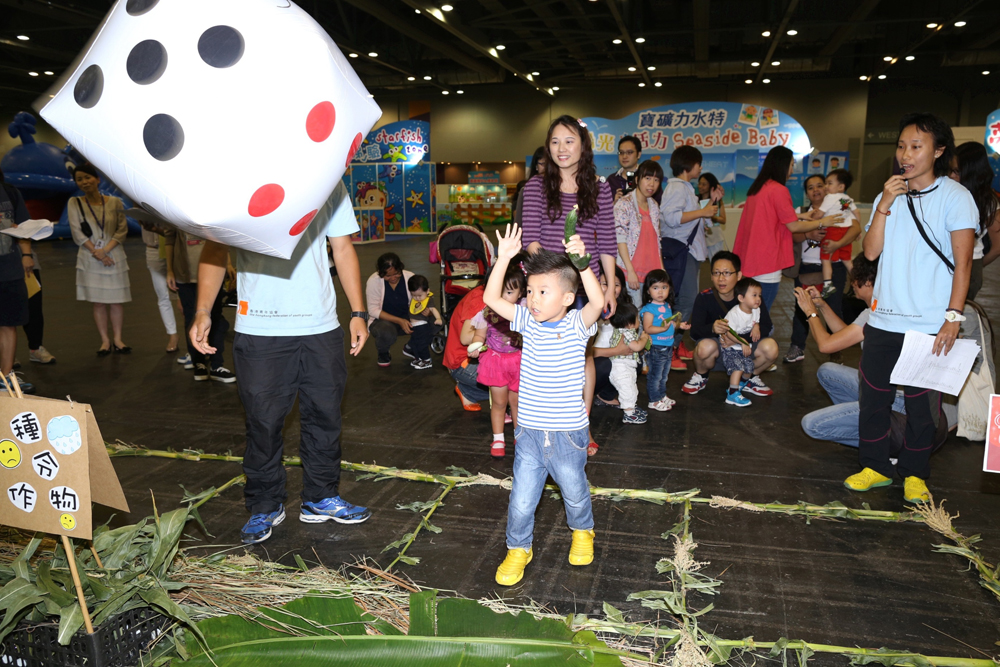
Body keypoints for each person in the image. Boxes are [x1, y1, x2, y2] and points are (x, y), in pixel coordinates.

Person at [189, 182, 372, 544]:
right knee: (263, 423)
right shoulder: (238, 182)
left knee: (325, 417)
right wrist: (202, 310)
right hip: (260, 329)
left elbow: (342, 247)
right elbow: (215, 249)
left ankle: (320, 496)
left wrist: (358, 312)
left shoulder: (327, 178)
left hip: (320, 326)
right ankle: (265, 503)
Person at [849, 112, 977, 504]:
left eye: (916, 146)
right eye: (902, 146)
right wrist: (885, 203)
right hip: (883, 320)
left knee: (923, 407)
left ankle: (915, 472)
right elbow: (871, 252)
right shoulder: (888, 196)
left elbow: (963, 264)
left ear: (938, 151)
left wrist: (952, 318)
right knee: (874, 400)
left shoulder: (956, 197)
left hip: (929, 324)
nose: (906, 154)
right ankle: (875, 466)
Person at [488, 224, 603, 587]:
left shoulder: (577, 326)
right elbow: (491, 299)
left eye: (542, 291)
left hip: (568, 435)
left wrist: (583, 264)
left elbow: (598, 303)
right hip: (529, 434)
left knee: (575, 492)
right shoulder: (527, 323)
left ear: (568, 297)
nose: (533, 299)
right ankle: (518, 548)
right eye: (530, 291)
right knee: (521, 500)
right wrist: (503, 259)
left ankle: (583, 530)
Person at [520, 115, 618, 314]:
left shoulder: (600, 188)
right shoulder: (535, 186)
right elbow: (530, 240)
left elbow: (607, 242)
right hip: (547, 289)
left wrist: (609, 286)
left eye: (569, 141)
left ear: (583, 146)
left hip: (587, 286)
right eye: (555, 142)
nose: (561, 149)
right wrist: (558, 277)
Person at [731, 146, 839, 311]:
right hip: (768, 261)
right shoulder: (779, 190)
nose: (792, 170)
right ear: (782, 165)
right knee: (761, 314)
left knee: (750, 311)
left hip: (752, 258)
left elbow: (771, 216)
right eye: (791, 165)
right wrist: (823, 222)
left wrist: (802, 215)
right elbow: (793, 226)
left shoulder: (758, 188)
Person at [682, 251, 778, 397]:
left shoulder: (751, 297)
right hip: (720, 351)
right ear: (711, 276)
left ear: (738, 275)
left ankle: (748, 378)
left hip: (745, 350)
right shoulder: (704, 297)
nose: (721, 278)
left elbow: (766, 326)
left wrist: (740, 339)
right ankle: (701, 376)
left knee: (771, 348)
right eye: (716, 273)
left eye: (727, 273)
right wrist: (712, 328)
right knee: (704, 347)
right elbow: (694, 332)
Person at [658, 145, 718, 371]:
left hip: (689, 253)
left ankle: (677, 343)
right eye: (698, 164)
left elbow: (696, 220)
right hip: (682, 252)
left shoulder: (686, 188)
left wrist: (709, 205)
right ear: (689, 165)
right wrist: (702, 212)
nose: (700, 168)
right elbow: (671, 218)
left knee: (684, 299)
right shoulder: (677, 188)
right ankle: (669, 348)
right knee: (685, 300)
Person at [784, 175, 854, 364]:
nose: (815, 190)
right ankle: (797, 347)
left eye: (820, 186)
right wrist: (809, 233)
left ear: (827, 188)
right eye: (810, 187)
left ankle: (836, 350)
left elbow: (855, 229)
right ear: (806, 193)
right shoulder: (801, 212)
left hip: (834, 267)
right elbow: (793, 236)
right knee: (802, 308)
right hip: (807, 268)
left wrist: (837, 244)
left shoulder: (840, 207)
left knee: (834, 309)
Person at [67, 164, 131, 355]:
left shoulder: (115, 202)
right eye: (79, 179)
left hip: (114, 255)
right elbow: (77, 232)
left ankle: (118, 339)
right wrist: (98, 253)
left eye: (87, 177)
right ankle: (105, 340)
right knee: (98, 302)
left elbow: (122, 230)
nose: (84, 182)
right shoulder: (74, 203)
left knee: (116, 301)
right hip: (90, 257)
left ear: (97, 179)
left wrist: (105, 251)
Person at [468, 262, 525, 458]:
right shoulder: (486, 313)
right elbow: (479, 335)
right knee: (499, 402)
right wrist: (476, 346)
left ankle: (520, 436)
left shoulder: (524, 310)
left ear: (520, 292)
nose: (503, 298)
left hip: (519, 361)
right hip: (496, 362)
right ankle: (498, 438)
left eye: (509, 292)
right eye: (498, 292)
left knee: (518, 402)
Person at [166, 228, 234, 383]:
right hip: (185, 275)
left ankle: (217, 365)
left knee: (215, 318)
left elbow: (221, 238)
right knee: (191, 318)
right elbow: (170, 240)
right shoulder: (177, 215)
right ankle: (198, 362)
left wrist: (228, 263)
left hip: (213, 275)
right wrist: (170, 270)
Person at [951, 142, 1000, 299]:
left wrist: (975, 265)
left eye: (957, 171)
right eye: (950, 170)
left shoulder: (988, 201)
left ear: (971, 173)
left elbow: (998, 247)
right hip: (945, 264)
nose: (951, 176)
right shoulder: (950, 192)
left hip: (968, 266)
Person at [366, 253, 432, 368]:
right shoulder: (373, 281)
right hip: (383, 321)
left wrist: (428, 312)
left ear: (401, 268)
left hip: (408, 317)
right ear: (380, 273)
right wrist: (399, 321)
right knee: (385, 331)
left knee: (433, 322)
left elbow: (422, 299)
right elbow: (373, 310)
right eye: (388, 276)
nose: (393, 278)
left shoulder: (410, 277)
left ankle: (411, 347)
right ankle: (383, 352)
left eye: (396, 273)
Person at [0, 172, 34, 393]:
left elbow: (24, 226)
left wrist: (27, 254)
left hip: (9, 269)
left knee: (8, 323)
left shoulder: (10, 192)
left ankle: (6, 377)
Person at [614, 159, 664, 307]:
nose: (652, 184)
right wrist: (630, 271)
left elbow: (657, 240)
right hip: (631, 271)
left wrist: (662, 270)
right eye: (647, 178)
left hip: (652, 274)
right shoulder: (624, 204)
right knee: (634, 314)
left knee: (651, 315)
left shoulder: (654, 205)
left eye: (656, 180)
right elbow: (620, 239)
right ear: (637, 179)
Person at [641, 269, 689, 411]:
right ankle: (654, 400)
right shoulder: (649, 309)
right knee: (655, 376)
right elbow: (648, 328)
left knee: (664, 375)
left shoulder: (667, 306)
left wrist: (679, 325)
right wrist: (662, 329)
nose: (660, 291)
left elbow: (669, 323)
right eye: (655, 288)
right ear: (648, 291)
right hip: (656, 347)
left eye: (664, 287)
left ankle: (661, 395)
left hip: (667, 346)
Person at [814, 169, 860, 298]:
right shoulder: (847, 199)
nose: (826, 186)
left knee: (826, 259)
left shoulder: (830, 197)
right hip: (845, 232)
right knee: (847, 260)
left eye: (829, 183)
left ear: (841, 187)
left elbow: (820, 214)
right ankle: (858, 282)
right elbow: (856, 213)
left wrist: (812, 218)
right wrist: (858, 231)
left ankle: (827, 284)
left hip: (832, 230)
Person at [445, 285, 489, 411]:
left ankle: (469, 391)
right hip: (464, 361)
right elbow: (465, 338)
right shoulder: (480, 298)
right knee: (510, 382)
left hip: (477, 356)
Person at [720, 278, 762, 408]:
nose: (758, 299)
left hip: (742, 345)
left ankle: (739, 385)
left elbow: (756, 321)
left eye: (759, 295)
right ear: (741, 298)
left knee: (749, 368)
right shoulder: (734, 314)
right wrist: (742, 342)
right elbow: (728, 333)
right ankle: (732, 394)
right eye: (754, 295)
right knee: (738, 367)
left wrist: (756, 326)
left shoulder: (756, 309)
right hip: (730, 345)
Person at [139, 221, 179, 355]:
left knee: (184, 300)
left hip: (176, 247)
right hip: (153, 248)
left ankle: (193, 338)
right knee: (163, 296)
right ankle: (172, 335)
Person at [608, 302, 649, 424]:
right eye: (637, 318)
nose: (639, 321)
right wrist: (644, 339)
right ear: (630, 323)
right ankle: (629, 414)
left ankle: (632, 408)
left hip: (623, 367)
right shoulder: (627, 332)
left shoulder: (619, 331)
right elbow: (637, 347)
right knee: (628, 390)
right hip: (622, 368)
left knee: (631, 388)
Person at [405, 274, 442, 370]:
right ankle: (419, 358)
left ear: (427, 291)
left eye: (420, 295)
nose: (417, 298)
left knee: (422, 344)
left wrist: (438, 318)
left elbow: (433, 309)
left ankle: (427, 360)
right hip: (414, 326)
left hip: (422, 326)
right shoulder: (415, 299)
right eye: (414, 295)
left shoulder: (428, 300)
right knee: (416, 343)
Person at [698, 172, 728, 259]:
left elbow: (723, 219)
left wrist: (711, 217)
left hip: (714, 236)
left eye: (704, 184)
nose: (700, 186)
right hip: (700, 236)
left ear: (711, 186)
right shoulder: (695, 199)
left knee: (716, 261)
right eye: (699, 183)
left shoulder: (717, 200)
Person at [513, 147, 546, 225]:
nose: (547, 168)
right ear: (536, 166)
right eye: (543, 164)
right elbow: (518, 221)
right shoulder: (527, 190)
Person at [608, 135, 642, 202]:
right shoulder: (611, 180)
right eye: (621, 152)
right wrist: (614, 203)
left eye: (629, 152)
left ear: (638, 154)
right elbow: (603, 206)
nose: (624, 156)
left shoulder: (646, 178)